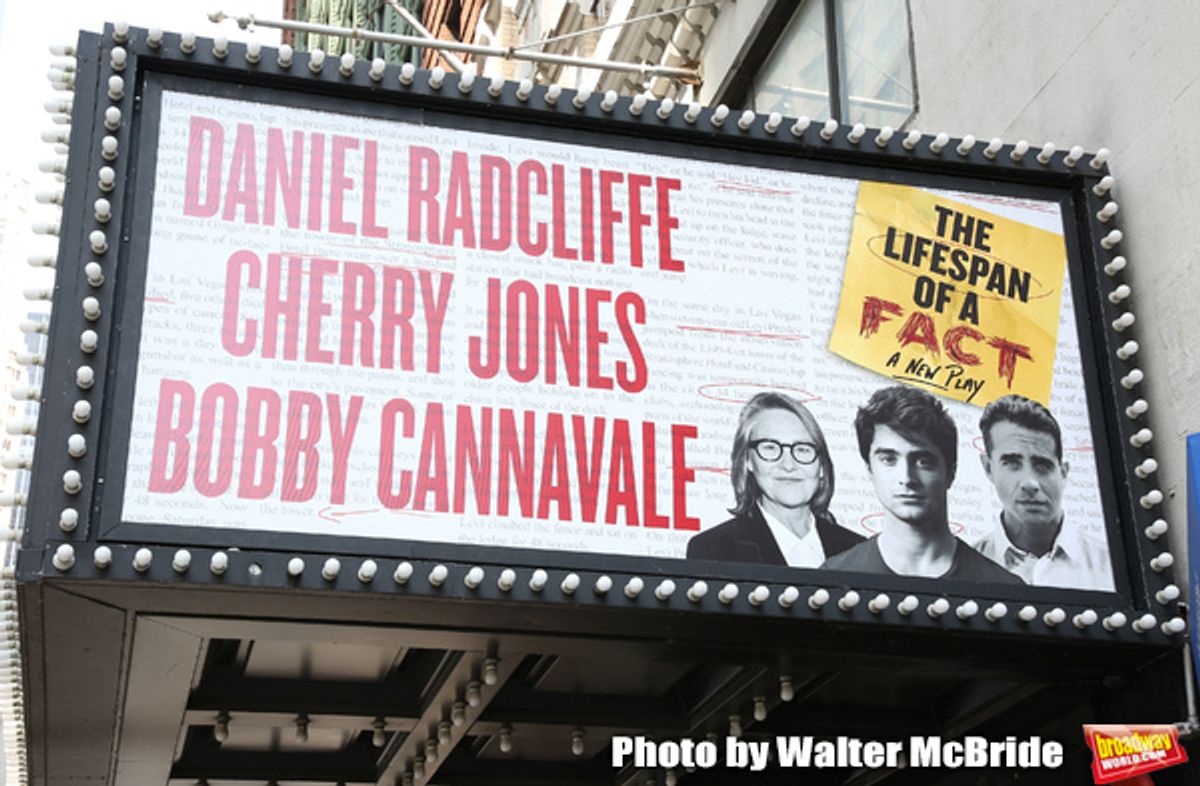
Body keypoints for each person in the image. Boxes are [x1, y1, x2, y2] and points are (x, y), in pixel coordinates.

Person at [821, 386, 1023, 584]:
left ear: (950, 472)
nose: (907, 478)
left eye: (923, 462)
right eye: (889, 460)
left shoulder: (1004, 587)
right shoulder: (832, 579)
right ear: (870, 470)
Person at [687, 392, 864, 566]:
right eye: (770, 447)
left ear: (821, 466)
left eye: (803, 449)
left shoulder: (860, 551)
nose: (788, 465)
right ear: (748, 460)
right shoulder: (714, 550)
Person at [971, 395, 1114, 591]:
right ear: (988, 468)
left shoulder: (1111, 568)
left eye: (1043, 465)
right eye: (1012, 463)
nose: (1030, 483)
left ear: (1063, 473)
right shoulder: (960, 570)